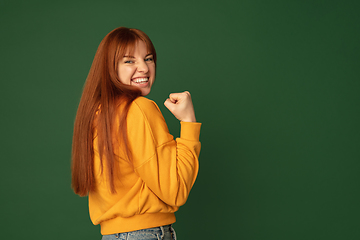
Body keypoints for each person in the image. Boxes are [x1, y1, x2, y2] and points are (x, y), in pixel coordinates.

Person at [71, 27, 201, 240]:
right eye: (129, 61)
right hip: (146, 234)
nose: (144, 67)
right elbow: (175, 191)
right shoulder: (139, 109)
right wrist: (188, 123)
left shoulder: (97, 114)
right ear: (109, 67)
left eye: (148, 58)